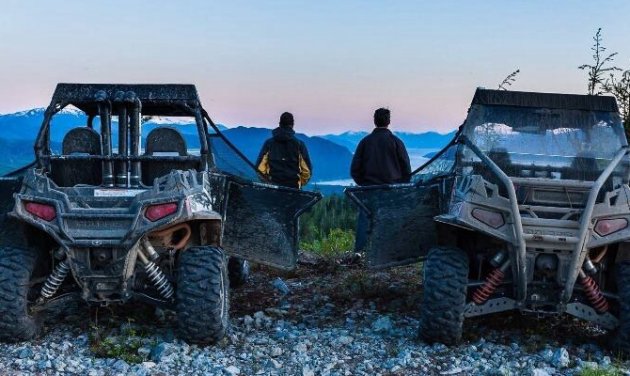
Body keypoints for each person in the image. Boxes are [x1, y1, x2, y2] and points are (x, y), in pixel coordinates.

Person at [350, 108, 411, 251]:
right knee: (391, 221)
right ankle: (390, 253)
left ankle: (360, 252)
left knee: (364, 221)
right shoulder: (396, 142)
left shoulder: (365, 142)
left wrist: (364, 184)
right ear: (389, 121)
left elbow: (354, 170)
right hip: (391, 191)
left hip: (369, 190)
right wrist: (399, 188)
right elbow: (406, 170)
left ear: (374, 120)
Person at [256, 112, 313, 189]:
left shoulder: (269, 144)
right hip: (293, 189)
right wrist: (299, 183)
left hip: (273, 187)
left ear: (279, 124)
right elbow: (307, 171)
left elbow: (260, 168)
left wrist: (267, 182)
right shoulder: (299, 144)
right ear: (292, 125)